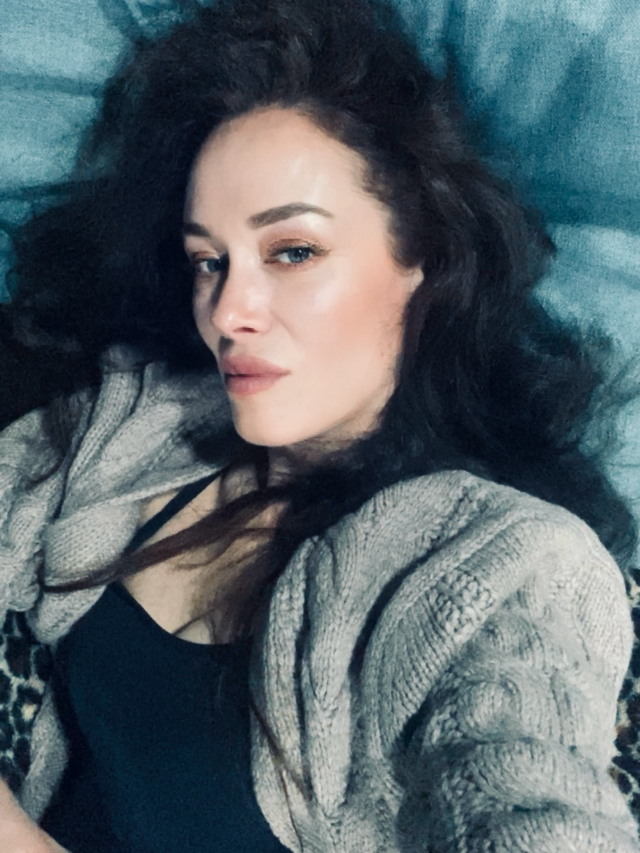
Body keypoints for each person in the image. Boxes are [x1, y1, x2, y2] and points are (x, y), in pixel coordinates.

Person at [0, 0, 638, 849]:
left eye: (292, 251)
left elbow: (529, 804)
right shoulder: (145, 419)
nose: (228, 310)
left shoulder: (504, 564)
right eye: (208, 260)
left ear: (421, 258)